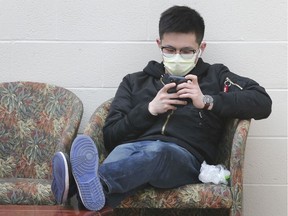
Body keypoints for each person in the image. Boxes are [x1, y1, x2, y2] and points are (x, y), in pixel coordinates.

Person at [51, 5, 272, 211]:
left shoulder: (216, 76)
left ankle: (72, 185)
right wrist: (149, 110)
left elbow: (262, 102)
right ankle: (90, 194)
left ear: (200, 48)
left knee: (157, 152)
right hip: (130, 150)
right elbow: (110, 137)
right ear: (159, 45)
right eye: (170, 49)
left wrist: (206, 100)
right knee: (121, 156)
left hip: (183, 158)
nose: (177, 56)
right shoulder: (134, 81)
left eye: (186, 51)